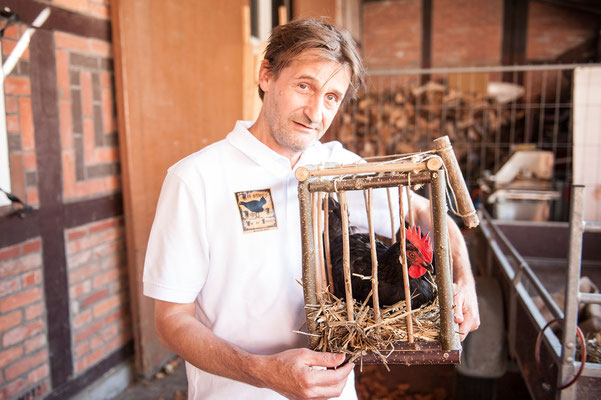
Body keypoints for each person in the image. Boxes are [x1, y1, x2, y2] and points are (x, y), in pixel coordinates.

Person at [143, 19, 480, 400]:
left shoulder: (341, 168)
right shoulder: (196, 178)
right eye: (305, 86)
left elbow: (425, 214)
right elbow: (171, 319)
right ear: (266, 75)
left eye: (332, 97)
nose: (316, 112)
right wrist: (262, 371)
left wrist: (465, 282)